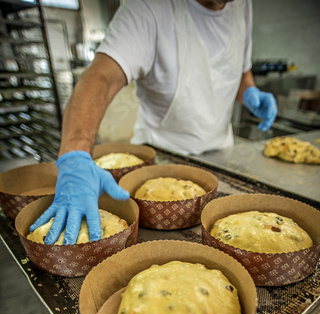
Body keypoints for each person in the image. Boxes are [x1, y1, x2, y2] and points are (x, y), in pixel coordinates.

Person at [30, 0, 277, 245]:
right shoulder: (147, 8)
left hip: (221, 154)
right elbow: (100, 77)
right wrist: (74, 156)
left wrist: (248, 91)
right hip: (161, 155)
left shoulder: (243, 5)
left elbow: (237, 70)